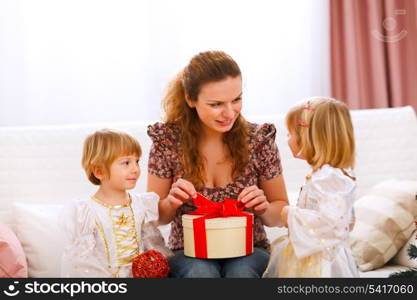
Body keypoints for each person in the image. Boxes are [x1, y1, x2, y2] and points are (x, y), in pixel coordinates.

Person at [147, 50, 289, 278]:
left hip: (249, 249)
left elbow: (280, 212)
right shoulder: (168, 142)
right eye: (216, 104)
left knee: (241, 273)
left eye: (236, 100)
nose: (229, 113)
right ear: (190, 99)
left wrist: (263, 208)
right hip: (189, 252)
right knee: (200, 273)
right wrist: (171, 202)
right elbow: (157, 217)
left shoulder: (258, 140)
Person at [263, 97, 359, 277]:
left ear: (308, 138)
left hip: (320, 263)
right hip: (310, 254)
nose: (288, 140)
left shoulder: (329, 178)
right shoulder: (325, 175)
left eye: (290, 134)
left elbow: (332, 226)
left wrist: (289, 213)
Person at [60, 129, 159, 277]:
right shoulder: (87, 212)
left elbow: (151, 242)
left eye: (137, 161)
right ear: (99, 171)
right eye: (126, 163)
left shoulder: (140, 204)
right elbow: (82, 262)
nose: (135, 169)